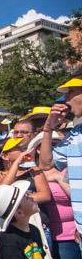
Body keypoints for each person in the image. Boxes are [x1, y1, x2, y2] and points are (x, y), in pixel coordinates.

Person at [39, 73, 82, 248]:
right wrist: (48, 128)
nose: (65, 99)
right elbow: (46, 164)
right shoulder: (75, 134)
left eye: (70, 92)